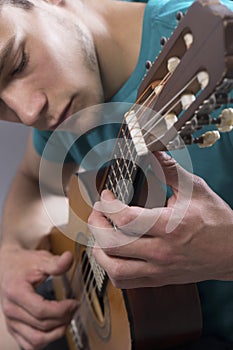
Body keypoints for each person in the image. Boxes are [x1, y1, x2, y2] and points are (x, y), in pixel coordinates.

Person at [0, 0, 233, 349]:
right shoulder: (64, 109)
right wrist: (9, 254)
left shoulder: (213, 50)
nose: (29, 112)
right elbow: (32, 182)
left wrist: (226, 254)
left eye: (18, 64)